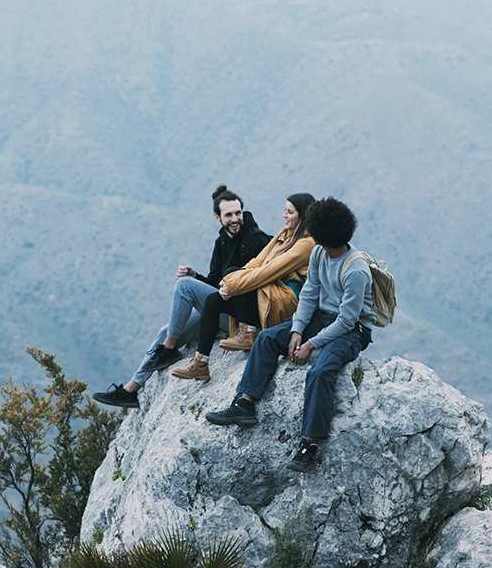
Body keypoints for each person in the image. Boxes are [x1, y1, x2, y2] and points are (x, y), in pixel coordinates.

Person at [204, 195, 373, 467]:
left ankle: (310, 444)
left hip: (352, 330)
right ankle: (244, 403)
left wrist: (310, 344)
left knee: (321, 370)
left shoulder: (355, 270)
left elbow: (347, 321)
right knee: (268, 338)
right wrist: (296, 330)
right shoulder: (319, 252)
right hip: (321, 316)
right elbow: (309, 294)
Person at [92, 185, 270, 408]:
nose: (235, 219)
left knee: (184, 286)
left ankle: (169, 349)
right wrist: (195, 275)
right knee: (166, 329)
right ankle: (132, 389)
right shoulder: (222, 242)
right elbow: (216, 282)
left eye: (237, 213)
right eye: (228, 215)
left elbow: (260, 286)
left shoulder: (256, 240)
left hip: (245, 320)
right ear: (218, 217)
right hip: (221, 308)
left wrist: (237, 330)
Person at [170, 192, 316, 383]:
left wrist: (232, 284)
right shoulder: (284, 235)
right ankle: (201, 363)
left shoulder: (307, 244)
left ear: (303, 215)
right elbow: (257, 262)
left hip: (283, 301)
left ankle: (249, 333)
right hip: (267, 294)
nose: (284, 215)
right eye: (285, 211)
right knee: (214, 299)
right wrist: (229, 280)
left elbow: (269, 272)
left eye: (289, 212)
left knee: (239, 279)